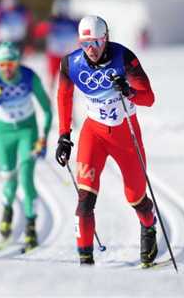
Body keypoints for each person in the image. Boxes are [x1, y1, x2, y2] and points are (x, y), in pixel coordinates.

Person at [55, 15, 157, 266]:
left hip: (125, 133)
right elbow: (64, 97)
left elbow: (149, 98)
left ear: (106, 38)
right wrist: (64, 136)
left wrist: (129, 91)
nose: (90, 50)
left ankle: (149, 226)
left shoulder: (124, 58)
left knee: (135, 197)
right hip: (94, 133)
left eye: (96, 43)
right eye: (85, 43)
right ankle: (85, 264)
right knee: (85, 200)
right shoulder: (70, 64)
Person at [0, 42, 52, 252]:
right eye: (1, 64)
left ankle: (30, 226)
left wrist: (44, 138)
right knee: (9, 182)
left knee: (26, 179)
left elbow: (48, 109)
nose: (6, 68)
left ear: (17, 63)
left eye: (10, 63)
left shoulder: (28, 76)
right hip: (4, 133)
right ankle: (7, 210)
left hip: (28, 130)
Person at [33, 0, 79, 93]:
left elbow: (81, 35)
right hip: (54, 54)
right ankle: (50, 94)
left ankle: (68, 95)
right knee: (52, 78)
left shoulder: (73, 22)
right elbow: (38, 31)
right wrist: (48, 26)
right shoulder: (52, 21)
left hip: (67, 55)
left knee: (68, 79)